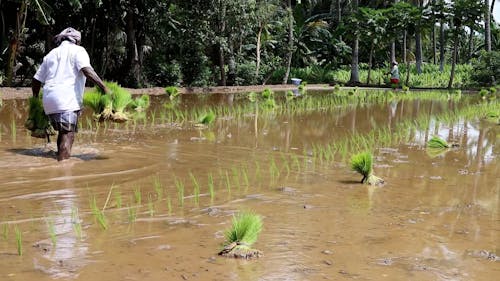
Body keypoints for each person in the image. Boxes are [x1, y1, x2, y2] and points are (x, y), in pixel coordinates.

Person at [32, 27, 109, 161]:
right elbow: (86, 70)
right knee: (68, 135)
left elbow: (36, 79)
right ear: (77, 41)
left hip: (48, 99)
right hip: (66, 99)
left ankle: (59, 157)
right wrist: (104, 87)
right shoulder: (78, 50)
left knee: (62, 133)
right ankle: (63, 169)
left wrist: (35, 99)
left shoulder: (51, 54)